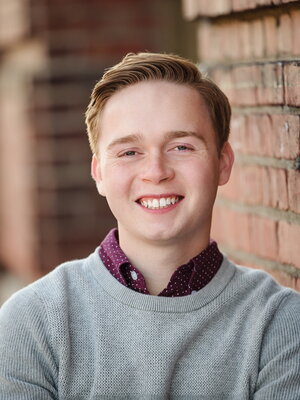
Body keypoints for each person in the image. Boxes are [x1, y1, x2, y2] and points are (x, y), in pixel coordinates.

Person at [0, 52, 299, 400]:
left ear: (222, 162)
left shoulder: (280, 325)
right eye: (129, 152)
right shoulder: (32, 323)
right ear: (99, 173)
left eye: (181, 146)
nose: (156, 172)